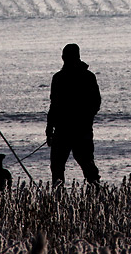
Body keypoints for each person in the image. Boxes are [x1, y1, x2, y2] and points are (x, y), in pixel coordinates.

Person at [46, 43, 101, 186]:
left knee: (83, 164)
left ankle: (96, 192)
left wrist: (50, 129)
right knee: (74, 165)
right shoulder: (62, 78)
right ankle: (61, 196)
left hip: (72, 130)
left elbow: (95, 103)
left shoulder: (64, 78)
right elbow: (54, 105)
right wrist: (49, 129)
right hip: (71, 129)